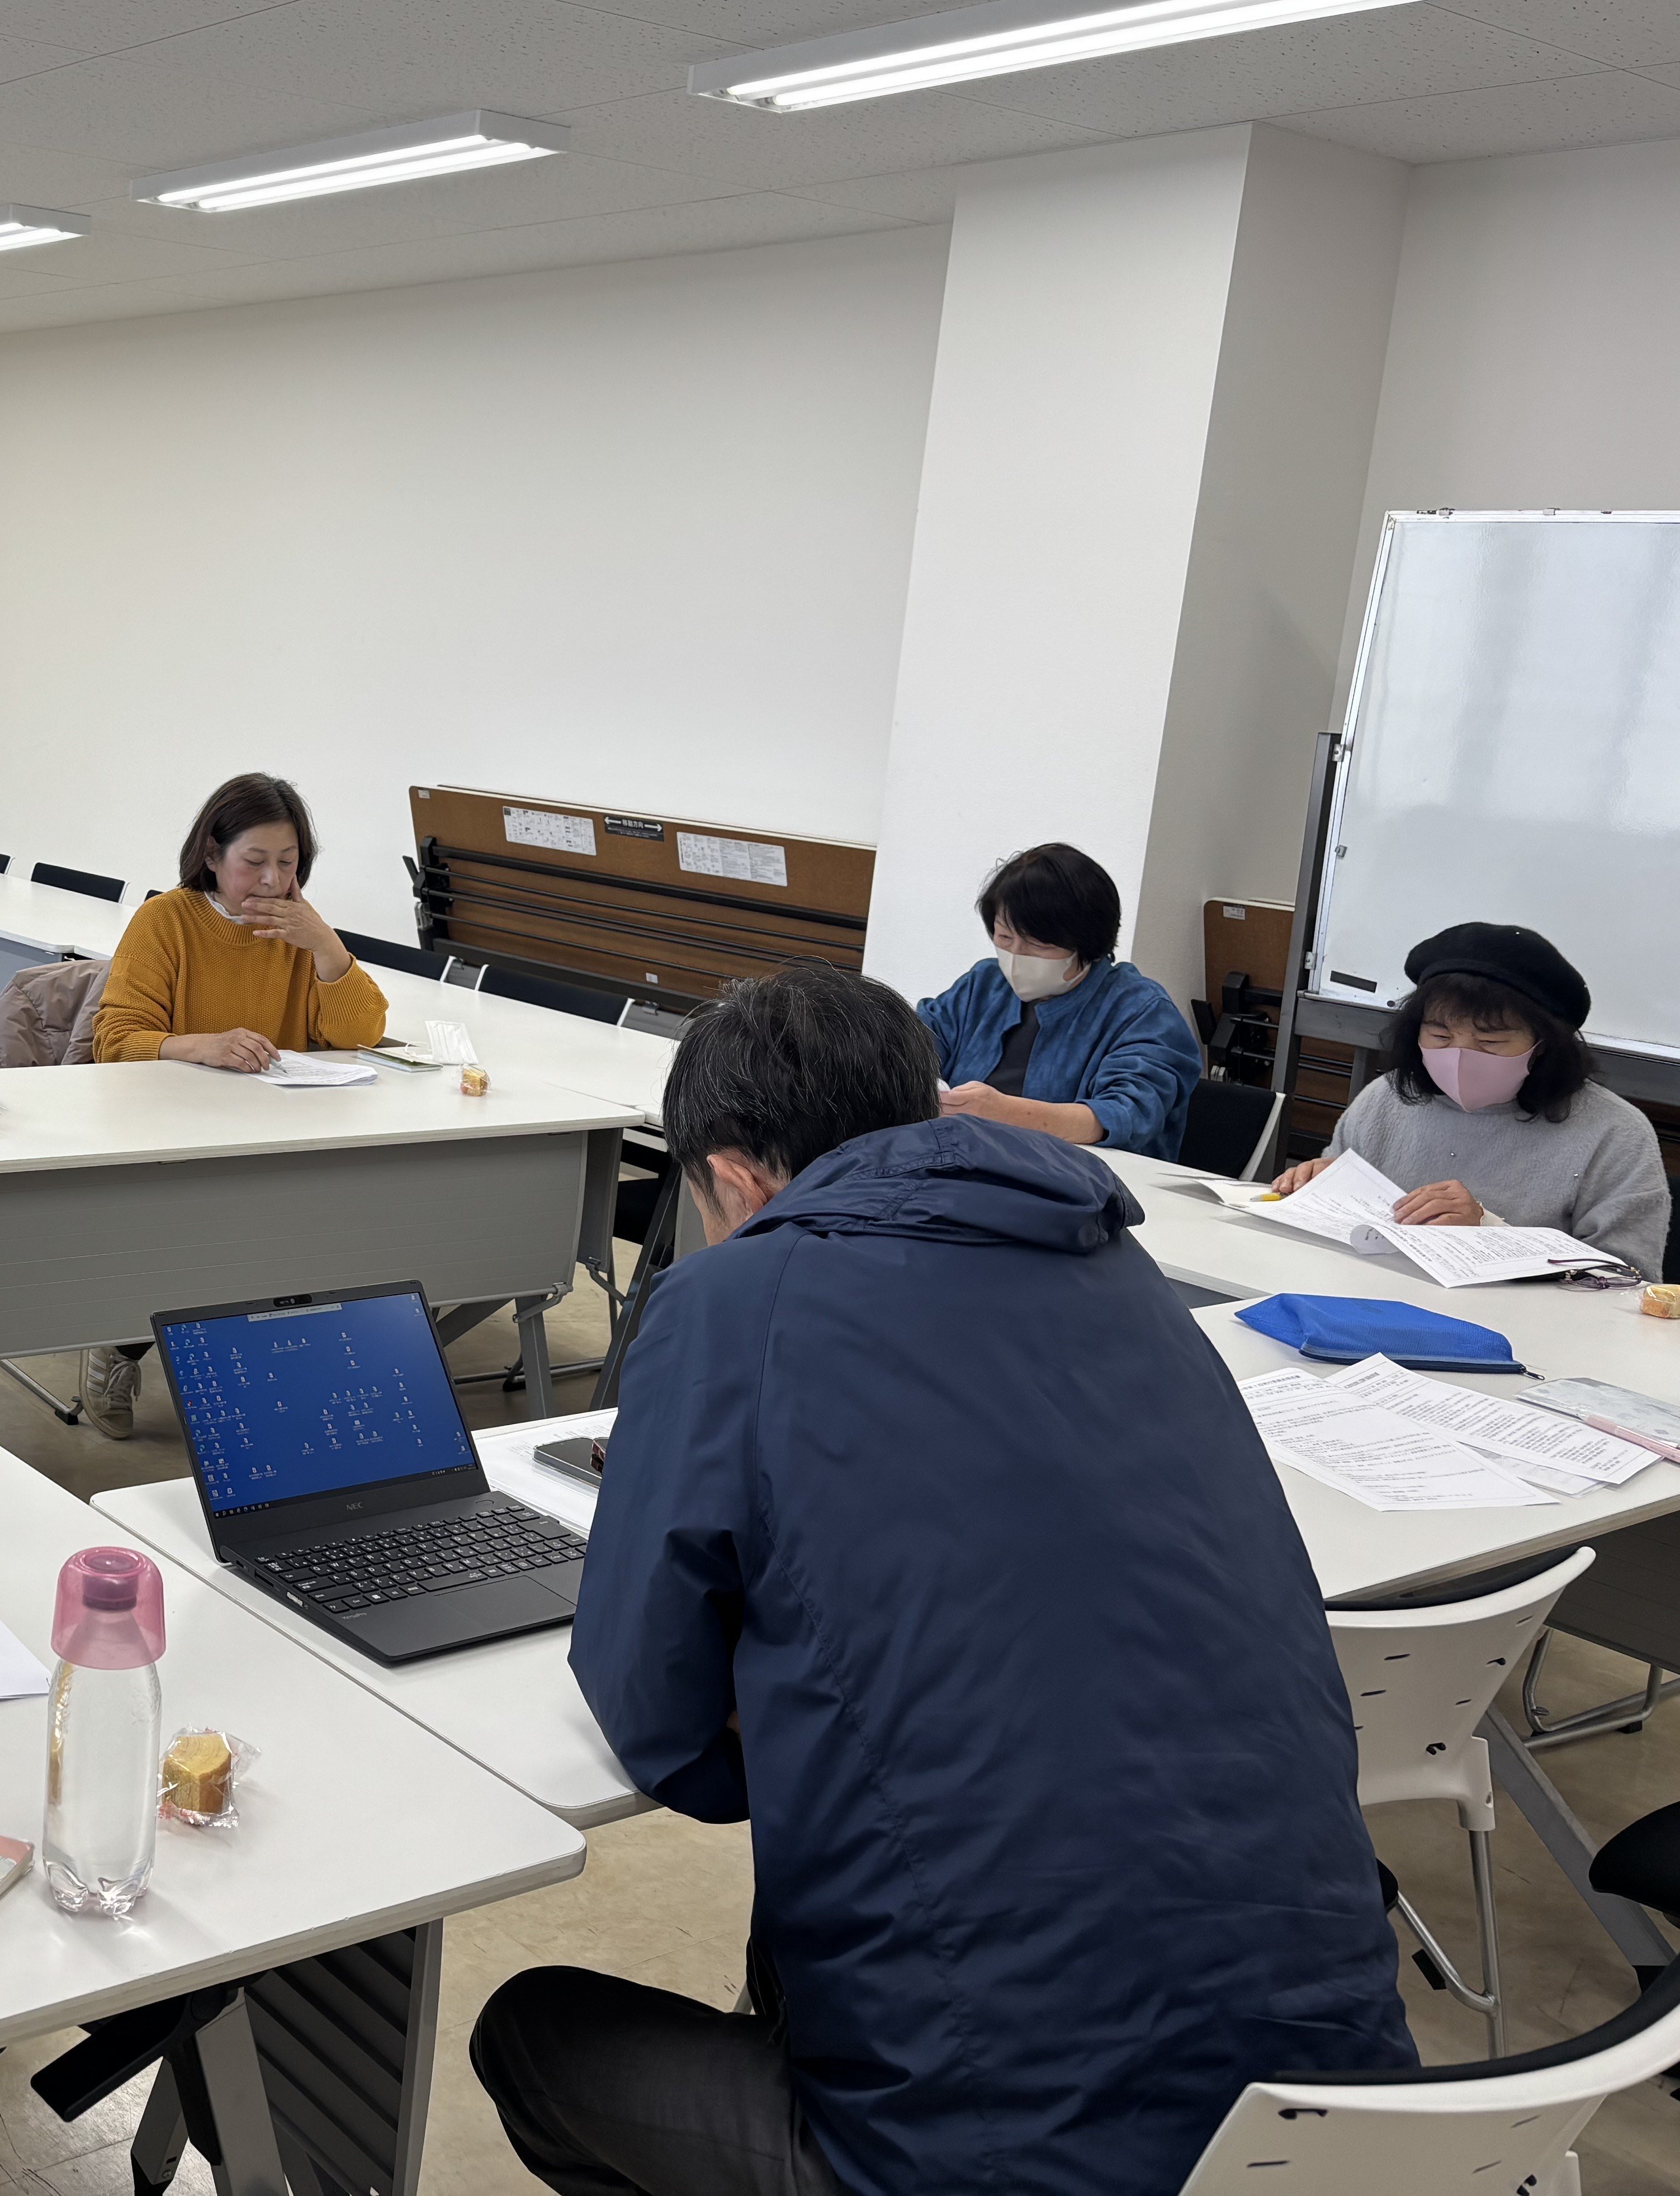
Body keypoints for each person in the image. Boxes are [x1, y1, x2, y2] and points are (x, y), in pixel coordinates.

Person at [472, 964, 1408, 2196]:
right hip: (1344, 2123)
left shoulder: (735, 1295)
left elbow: (662, 1725)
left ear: (735, 1179)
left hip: (1002, 2159)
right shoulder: (1122, 1272)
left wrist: (797, 1706)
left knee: (531, 2036)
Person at [77, 775, 389, 1436]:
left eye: (288, 863)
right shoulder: (166, 921)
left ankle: (283, 1366)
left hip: (276, 1130)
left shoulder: (299, 932)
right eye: (255, 862)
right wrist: (203, 1046)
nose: (272, 881)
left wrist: (327, 948)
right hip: (169, 1131)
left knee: (324, 1223)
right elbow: (116, 1039)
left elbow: (359, 1032)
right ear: (213, 855)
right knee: (192, 1233)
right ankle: (118, 1344)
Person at [1269, 921, 1668, 1274]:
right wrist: (1318, 1189)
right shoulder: (1386, 1099)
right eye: (1440, 1035)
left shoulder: (1614, 1133)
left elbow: (1629, 1279)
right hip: (1370, 1302)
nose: (1460, 1056)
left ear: (1543, 1045)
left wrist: (1488, 1231)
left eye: (1490, 1041)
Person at [916, 841, 1202, 1160]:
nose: (1016, 956)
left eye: (1038, 944)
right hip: (963, 1163)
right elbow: (913, 1044)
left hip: (1088, 1179)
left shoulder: (1141, 1010)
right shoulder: (983, 985)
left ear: (1087, 943)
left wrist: (1004, 1113)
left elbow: (1126, 1116)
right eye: (1005, 937)